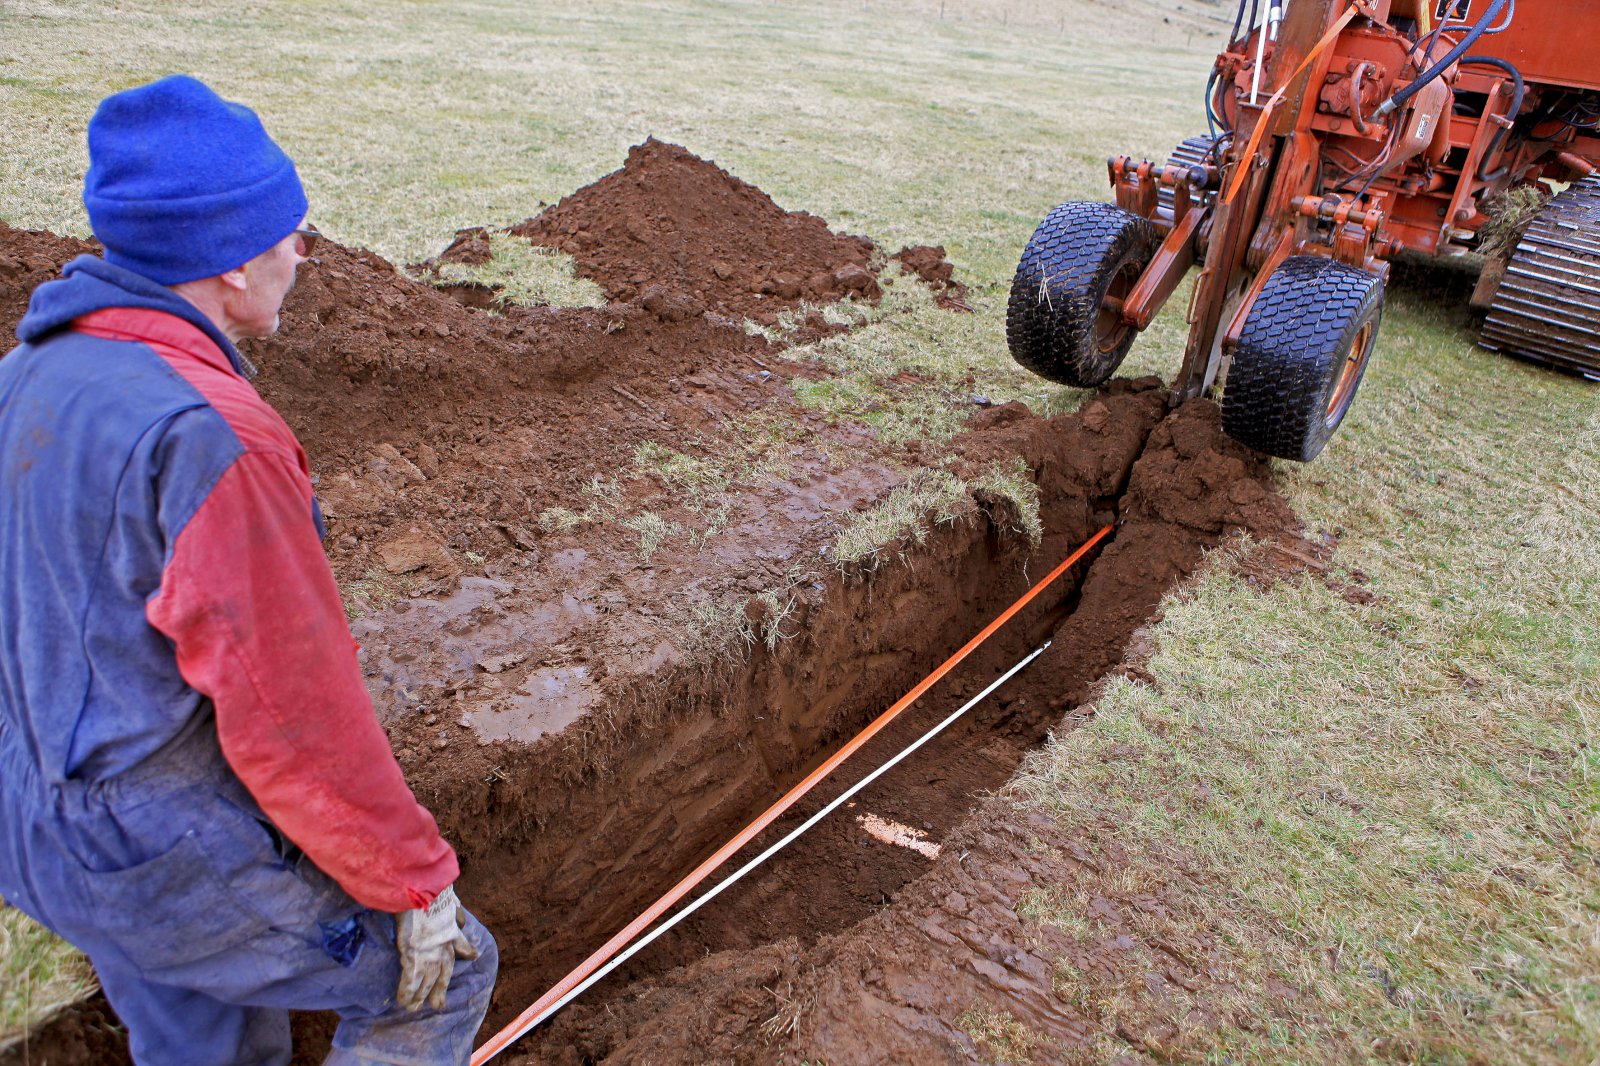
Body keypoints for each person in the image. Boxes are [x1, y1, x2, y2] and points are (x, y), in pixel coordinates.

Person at [0, 75, 497, 1065]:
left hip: (32, 818)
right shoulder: (212, 438)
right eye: (291, 233)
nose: (302, 254)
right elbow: (291, 711)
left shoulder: (28, 377)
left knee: (209, 1037)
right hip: (156, 848)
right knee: (445, 970)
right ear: (232, 260)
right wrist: (411, 882)